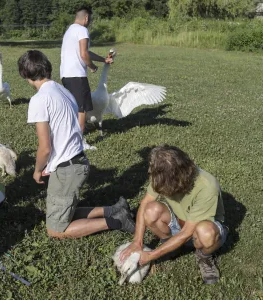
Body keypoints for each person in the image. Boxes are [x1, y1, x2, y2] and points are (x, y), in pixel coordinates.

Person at [18, 50, 135, 238]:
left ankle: (117, 220)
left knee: (55, 229)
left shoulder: (39, 100)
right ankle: (112, 209)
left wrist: (37, 170)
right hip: (78, 160)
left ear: (26, 75)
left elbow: (45, 147)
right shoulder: (64, 91)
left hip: (67, 169)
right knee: (62, 212)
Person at [119, 145, 228, 284]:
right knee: (150, 210)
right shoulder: (162, 174)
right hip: (179, 223)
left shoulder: (207, 186)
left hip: (198, 230)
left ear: (179, 175)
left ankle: (204, 256)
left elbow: (188, 232)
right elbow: (145, 203)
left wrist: (151, 255)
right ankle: (172, 246)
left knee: (206, 233)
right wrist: (137, 241)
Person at [60, 6, 113, 149]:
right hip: (77, 76)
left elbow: (86, 52)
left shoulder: (69, 31)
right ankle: (80, 142)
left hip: (66, 76)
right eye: (90, 20)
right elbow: (84, 55)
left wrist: (103, 60)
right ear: (86, 18)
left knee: (74, 108)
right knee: (81, 110)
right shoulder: (82, 30)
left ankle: (70, 138)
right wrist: (92, 67)